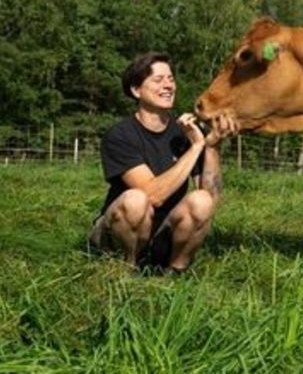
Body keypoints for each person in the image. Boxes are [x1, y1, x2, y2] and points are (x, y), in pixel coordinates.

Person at [88, 52, 222, 273]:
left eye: (170, 79)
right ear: (136, 90)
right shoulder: (120, 135)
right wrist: (196, 147)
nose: (168, 85)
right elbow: (152, 196)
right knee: (135, 200)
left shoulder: (185, 133)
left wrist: (212, 146)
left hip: (165, 232)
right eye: (158, 80)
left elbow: (210, 199)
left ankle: (174, 274)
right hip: (119, 235)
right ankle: (124, 271)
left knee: (201, 201)